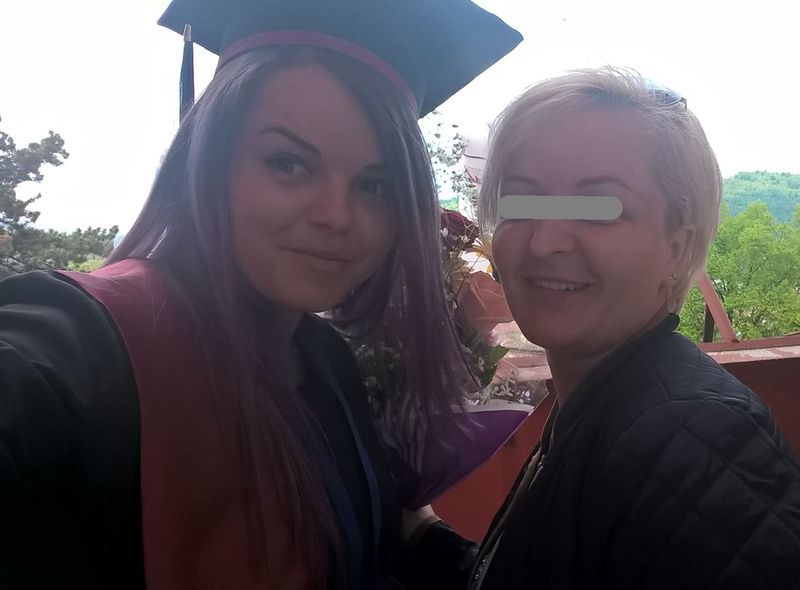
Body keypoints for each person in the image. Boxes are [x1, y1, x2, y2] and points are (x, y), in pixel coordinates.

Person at [0, 1, 522, 588]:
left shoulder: (326, 364)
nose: (337, 215)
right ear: (207, 160)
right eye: (288, 164)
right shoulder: (84, 347)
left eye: (375, 185)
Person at [463, 66, 800, 588]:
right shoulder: (605, 404)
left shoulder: (694, 440)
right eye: (521, 201)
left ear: (677, 248)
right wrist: (422, 536)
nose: (545, 241)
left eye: (598, 209)